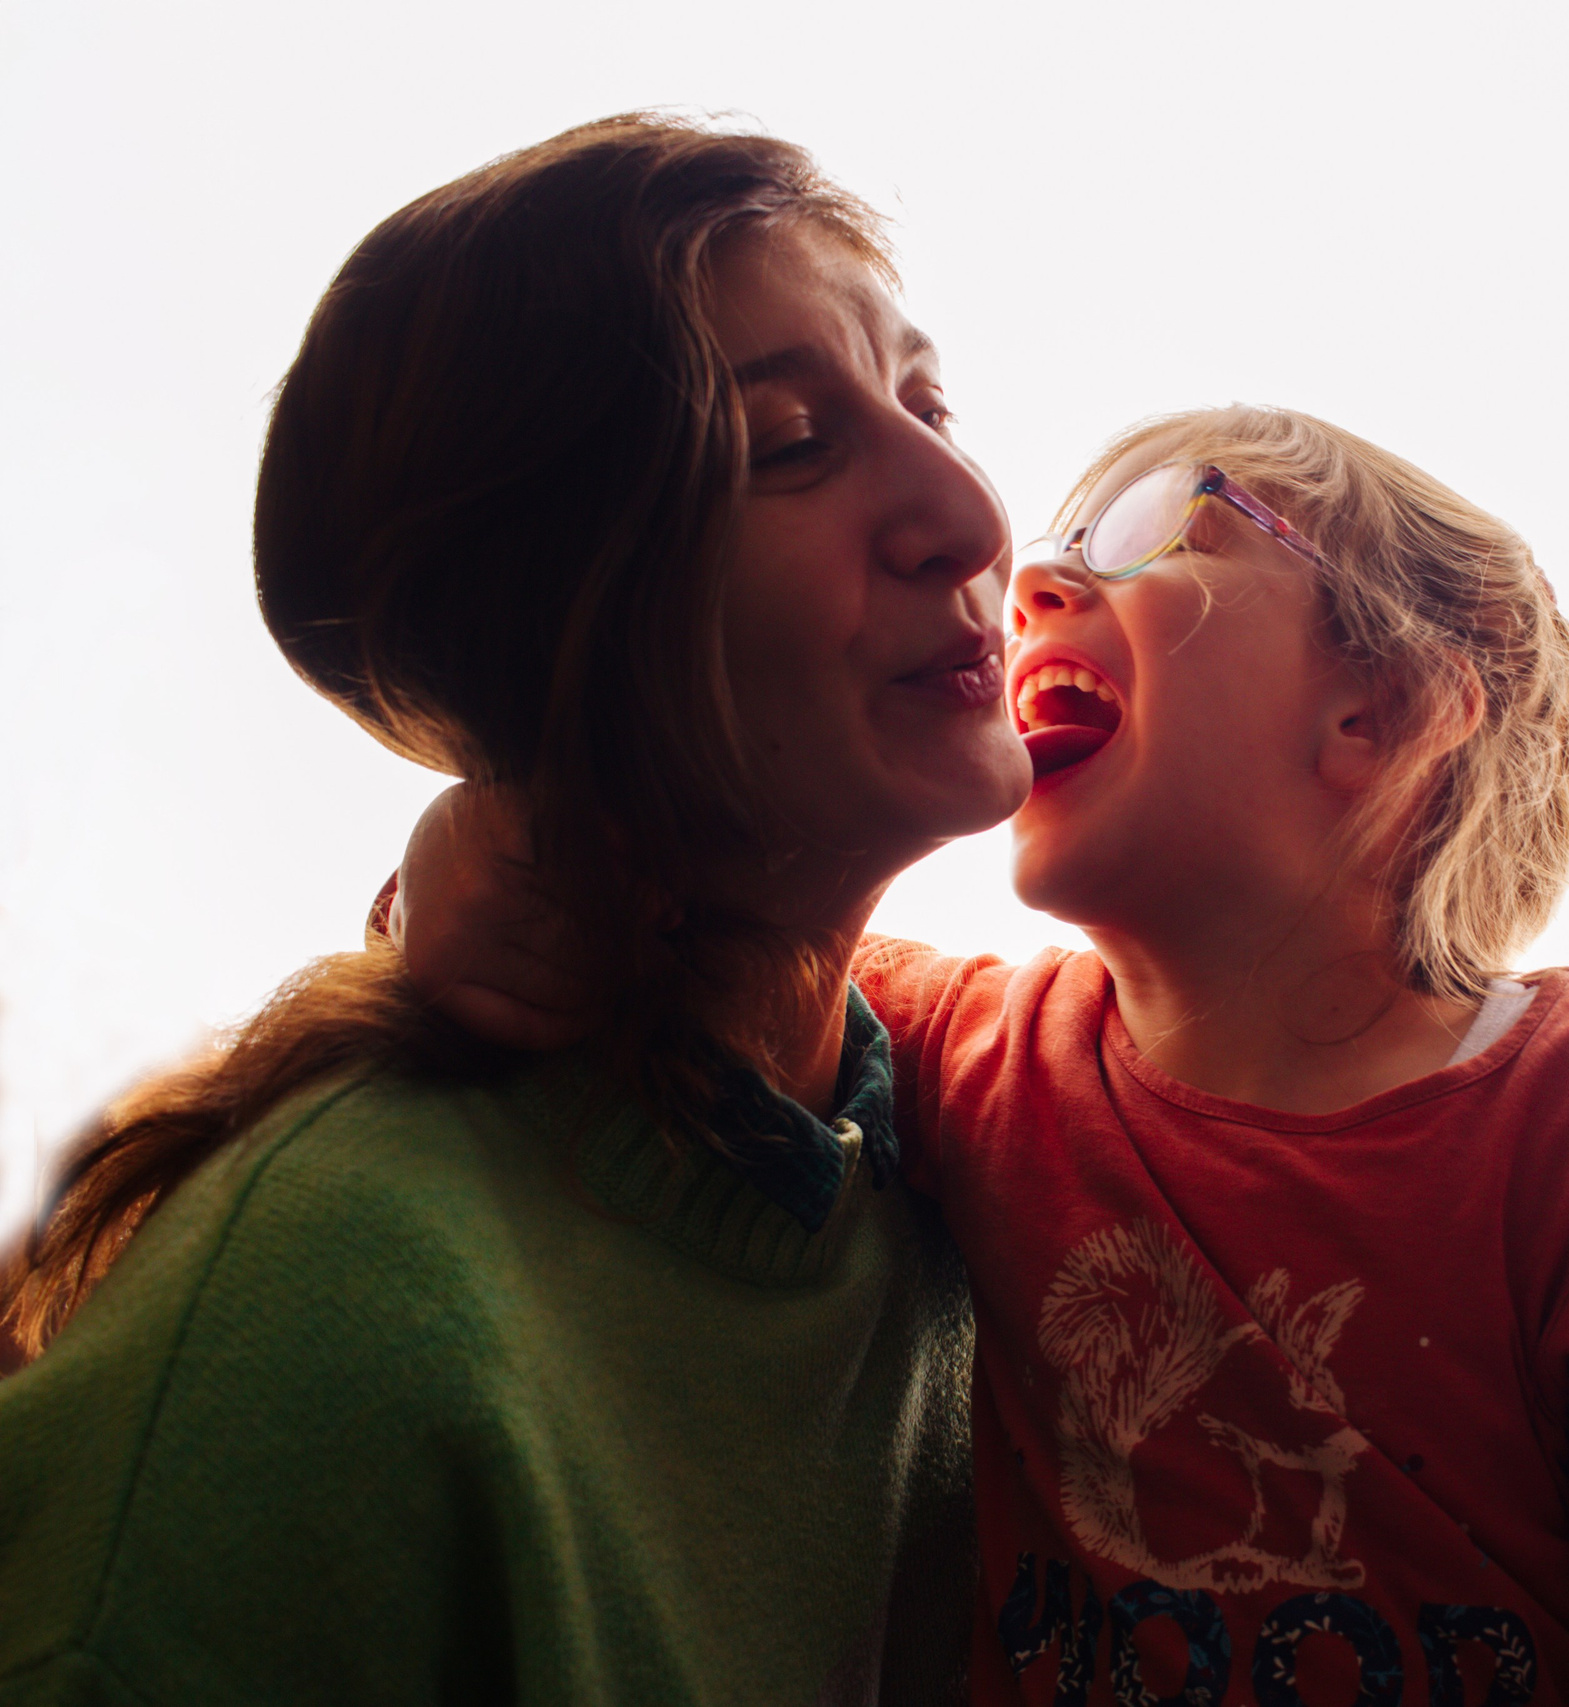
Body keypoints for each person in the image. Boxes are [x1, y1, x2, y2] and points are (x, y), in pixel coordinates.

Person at [400, 403, 1569, 1705]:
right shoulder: (956, 1041)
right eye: (1050, 544)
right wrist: (474, 856)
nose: (1034, 580)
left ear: (1381, 711)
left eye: (1137, 532)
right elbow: (653, 930)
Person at [0, 115, 1027, 1703]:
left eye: (928, 399)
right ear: (563, 619)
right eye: (789, 445)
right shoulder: (319, 1336)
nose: (967, 514)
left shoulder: (992, 1173)